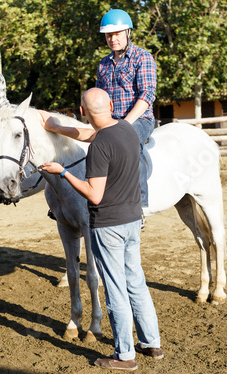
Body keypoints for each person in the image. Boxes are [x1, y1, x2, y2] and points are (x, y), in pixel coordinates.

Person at [40, 88, 163, 371]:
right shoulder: (126, 129)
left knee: (116, 289)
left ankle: (125, 356)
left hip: (109, 225)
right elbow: (87, 133)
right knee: (136, 281)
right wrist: (56, 126)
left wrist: (64, 172)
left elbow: (94, 195)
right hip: (133, 220)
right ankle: (151, 342)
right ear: (110, 105)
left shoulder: (99, 147)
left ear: (83, 112)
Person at [96, 9, 157, 210]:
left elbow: (147, 95)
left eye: (117, 34)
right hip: (110, 120)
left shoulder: (143, 57)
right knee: (88, 146)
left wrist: (125, 124)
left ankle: (139, 205)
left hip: (139, 119)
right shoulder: (103, 64)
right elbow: (99, 97)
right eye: (109, 35)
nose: (113, 39)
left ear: (128, 33)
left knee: (128, 143)